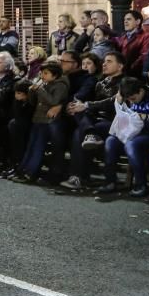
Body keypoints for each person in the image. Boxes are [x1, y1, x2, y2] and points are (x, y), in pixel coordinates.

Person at [60, 51, 127, 191]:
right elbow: (92, 104)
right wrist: (78, 107)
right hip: (96, 119)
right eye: (104, 61)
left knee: (80, 129)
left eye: (109, 61)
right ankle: (78, 177)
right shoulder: (100, 83)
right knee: (79, 125)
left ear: (120, 66)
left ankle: (79, 177)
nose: (104, 64)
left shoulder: (125, 82)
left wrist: (85, 106)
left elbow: (111, 103)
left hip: (114, 121)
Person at [95, 78, 149, 197]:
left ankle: (141, 185)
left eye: (134, 98)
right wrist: (120, 102)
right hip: (131, 132)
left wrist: (146, 118)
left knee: (131, 144)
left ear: (141, 91)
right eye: (129, 99)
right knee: (111, 140)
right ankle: (110, 181)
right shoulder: (125, 97)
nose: (132, 102)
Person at [116, 10, 149, 79]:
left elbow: (144, 56)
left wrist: (129, 69)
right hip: (123, 75)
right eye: (124, 20)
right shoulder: (123, 37)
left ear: (138, 22)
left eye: (129, 19)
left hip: (138, 76)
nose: (125, 22)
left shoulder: (146, 37)